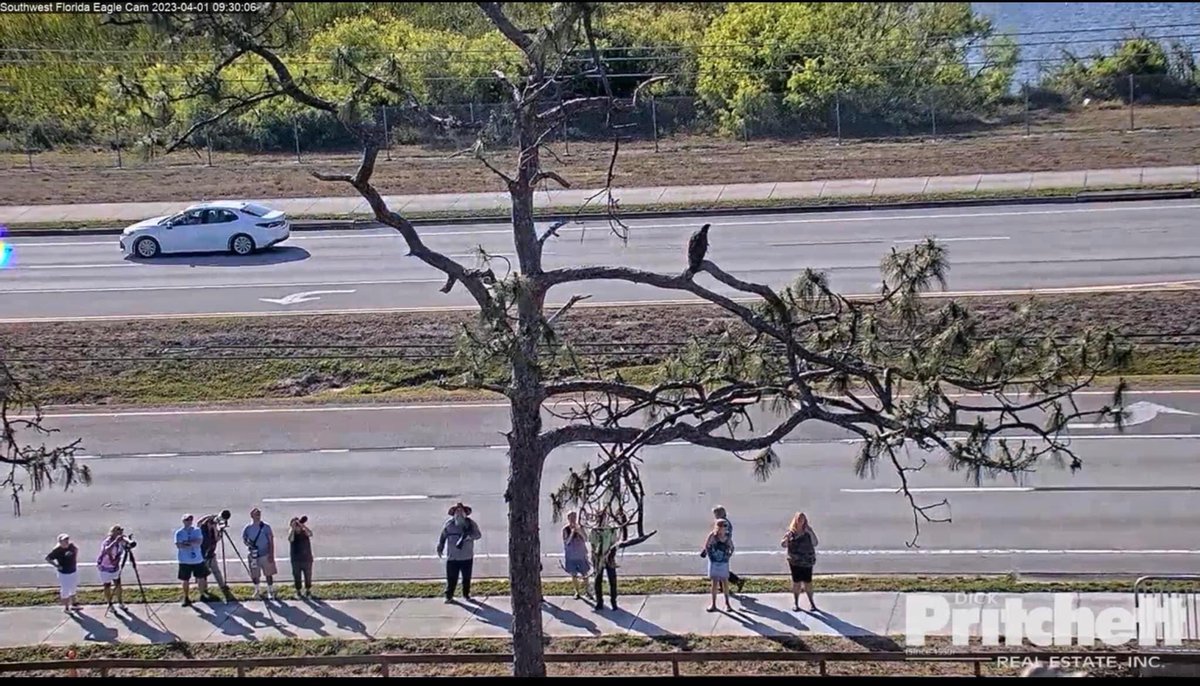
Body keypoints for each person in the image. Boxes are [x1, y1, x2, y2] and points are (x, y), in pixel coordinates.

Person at [437, 502, 481, 602]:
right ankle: (449, 596)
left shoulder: (471, 524)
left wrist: (468, 537)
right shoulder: (449, 524)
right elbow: (443, 536)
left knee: (466, 578)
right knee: (451, 578)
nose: (459, 513)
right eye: (457, 511)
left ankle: (466, 594)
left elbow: (478, 535)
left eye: (461, 511)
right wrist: (440, 546)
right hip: (452, 557)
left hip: (466, 557)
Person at [781, 512, 819, 612]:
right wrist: (787, 538)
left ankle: (812, 603)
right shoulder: (791, 532)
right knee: (796, 583)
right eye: (799, 519)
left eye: (803, 519)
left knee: (808, 583)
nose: (801, 522)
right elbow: (783, 544)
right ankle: (796, 603)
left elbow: (815, 543)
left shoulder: (808, 532)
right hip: (795, 562)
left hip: (807, 561)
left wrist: (810, 532)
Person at [588, 511, 625, 612]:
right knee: (597, 581)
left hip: (609, 557)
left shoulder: (611, 530)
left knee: (612, 580)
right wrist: (597, 556)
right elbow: (592, 544)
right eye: (600, 518)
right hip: (598, 558)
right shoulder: (594, 530)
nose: (602, 520)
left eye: (604, 518)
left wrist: (609, 555)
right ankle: (599, 602)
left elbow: (614, 544)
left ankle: (614, 601)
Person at [175, 513, 211, 607]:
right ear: (183, 521)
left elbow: (199, 542)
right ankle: (186, 597)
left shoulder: (197, 530)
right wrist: (190, 543)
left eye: (190, 520)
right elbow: (179, 545)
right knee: (185, 580)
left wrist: (187, 543)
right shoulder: (179, 532)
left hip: (197, 559)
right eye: (187, 520)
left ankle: (202, 594)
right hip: (184, 560)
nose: (189, 522)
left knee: (201, 578)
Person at [242, 507, 278, 600]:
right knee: (255, 574)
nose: (258, 516)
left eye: (259, 514)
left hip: (265, 554)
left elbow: (271, 541)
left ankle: (270, 591)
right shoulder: (248, 528)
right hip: (253, 555)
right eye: (256, 514)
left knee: (268, 574)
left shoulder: (266, 527)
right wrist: (249, 544)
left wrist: (271, 554)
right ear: (251, 516)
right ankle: (257, 590)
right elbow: (244, 539)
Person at [700, 519, 735, 612]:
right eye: (721, 527)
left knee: (725, 582)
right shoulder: (712, 536)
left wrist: (728, 556)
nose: (723, 529)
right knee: (714, 582)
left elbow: (732, 547)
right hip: (714, 562)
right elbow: (707, 546)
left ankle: (727, 603)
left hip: (724, 562)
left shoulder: (727, 537)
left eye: (725, 527)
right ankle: (713, 603)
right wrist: (711, 556)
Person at [197, 514, 232, 599]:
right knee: (203, 574)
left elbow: (217, 539)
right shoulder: (202, 530)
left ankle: (222, 586)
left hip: (211, 554)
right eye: (211, 523)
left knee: (216, 571)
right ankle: (204, 590)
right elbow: (199, 523)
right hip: (203, 555)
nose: (212, 524)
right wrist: (208, 517)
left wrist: (217, 530)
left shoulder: (213, 530)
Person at [712, 505, 746, 593]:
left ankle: (736, 581)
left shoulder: (723, 523)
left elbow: (723, 536)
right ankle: (723, 586)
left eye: (715, 513)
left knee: (720, 568)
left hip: (722, 548)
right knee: (720, 567)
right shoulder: (724, 522)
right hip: (722, 547)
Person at [45, 533, 81, 614]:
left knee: (73, 588)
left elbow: (76, 549)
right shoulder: (57, 551)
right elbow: (48, 558)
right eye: (64, 540)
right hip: (64, 573)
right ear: (60, 542)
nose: (66, 541)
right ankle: (66, 607)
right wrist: (56, 565)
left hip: (73, 571)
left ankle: (74, 604)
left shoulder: (72, 546)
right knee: (65, 590)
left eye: (67, 540)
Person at [96, 525, 128, 611]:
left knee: (118, 584)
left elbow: (124, 549)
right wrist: (115, 542)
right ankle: (110, 604)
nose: (120, 533)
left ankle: (120, 602)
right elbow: (106, 550)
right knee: (107, 586)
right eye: (118, 531)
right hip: (105, 567)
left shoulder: (122, 541)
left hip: (115, 566)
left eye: (121, 531)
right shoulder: (107, 541)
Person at [561, 511, 592, 600]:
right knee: (574, 575)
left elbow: (586, 538)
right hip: (571, 556)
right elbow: (567, 542)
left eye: (574, 517)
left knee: (585, 574)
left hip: (581, 555)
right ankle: (577, 592)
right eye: (571, 518)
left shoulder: (581, 528)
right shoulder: (565, 529)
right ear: (568, 519)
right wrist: (572, 532)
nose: (573, 520)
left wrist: (579, 531)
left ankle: (587, 591)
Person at [288, 516, 315, 598]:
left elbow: (310, 534)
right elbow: (290, 539)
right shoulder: (292, 533)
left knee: (308, 575)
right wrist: (293, 529)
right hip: (296, 559)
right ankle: (298, 591)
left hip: (307, 558)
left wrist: (302, 525)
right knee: (297, 576)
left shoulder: (304, 532)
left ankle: (308, 590)